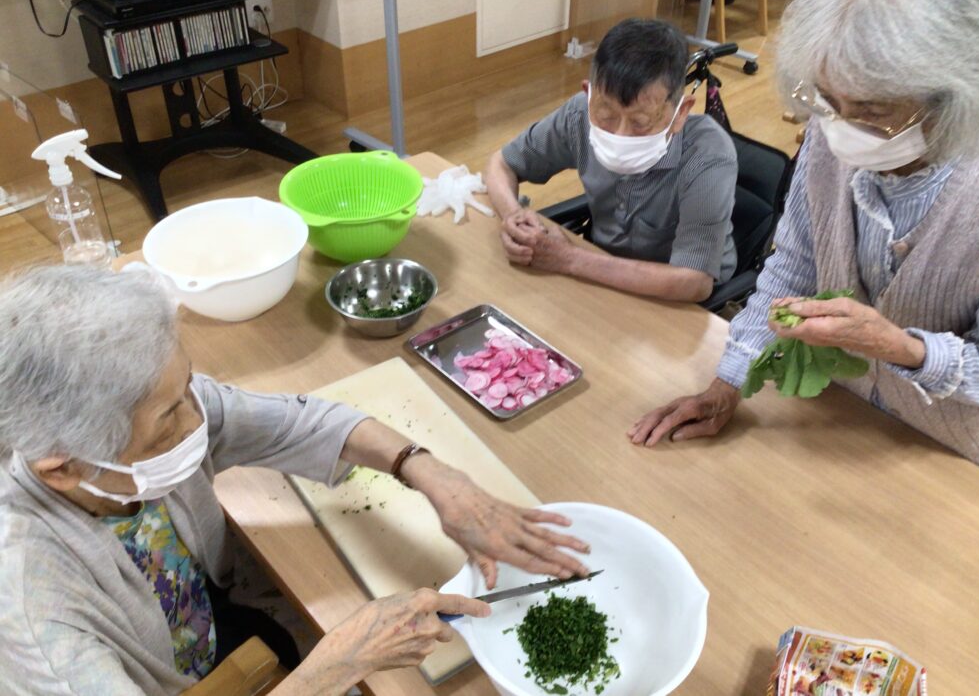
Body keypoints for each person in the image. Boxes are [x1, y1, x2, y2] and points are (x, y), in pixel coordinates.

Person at [0, 266, 591, 695]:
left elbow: (298, 421)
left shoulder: (157, 411)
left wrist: (428, 470)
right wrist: (336, 666)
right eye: (167, 419)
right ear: (63, 464)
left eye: (188, 387)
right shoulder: (31, 601)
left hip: (212, 619)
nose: (198, 418)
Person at [629, 0, 979, 473]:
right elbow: (795, 263)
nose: (843, 132)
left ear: (956, 98)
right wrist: (729, 380)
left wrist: (901, 348)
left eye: (874, 115)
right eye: (828, 102)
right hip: (838, 420)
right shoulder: (833, 133)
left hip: (949, 452)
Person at [486, 18, 738, 303]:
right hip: (602, 272)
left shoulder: (708, 156)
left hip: (677, 300)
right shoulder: (579, 115)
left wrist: (569, 258)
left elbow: (694, 282)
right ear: (588, 94)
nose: (620, 135)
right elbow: (502, 164)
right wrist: (512, 215)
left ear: (681, 113)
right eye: (606, 116)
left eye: (640, 123)